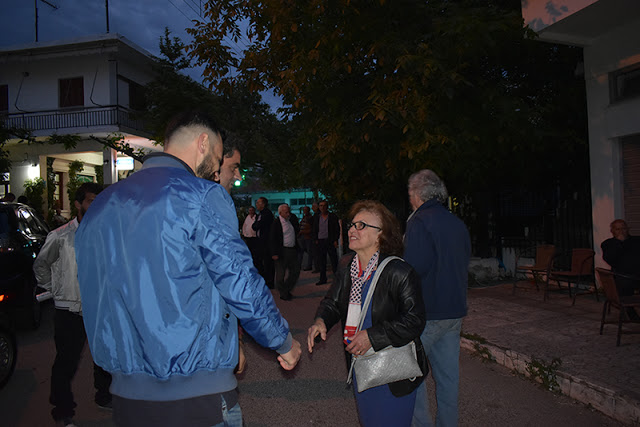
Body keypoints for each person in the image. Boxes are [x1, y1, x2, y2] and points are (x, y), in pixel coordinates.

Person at [74, 111, 301, 427]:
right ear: (203, 142)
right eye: (219, 158)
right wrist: (283, 341)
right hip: (196, 392)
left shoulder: (101, 204)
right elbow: (239, 281)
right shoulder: (202, 195)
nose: (222, 171)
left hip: (126, 396)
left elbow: (91, 289)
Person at [308, 200, 427, 427]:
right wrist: (321, 320)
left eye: (361, 225)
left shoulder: (399, 272)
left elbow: (415, 320)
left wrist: (372, 336)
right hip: (362, 367)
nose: (352, 230)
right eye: (352, 225)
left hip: (394, 375)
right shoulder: (347, 267)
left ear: (380, 235)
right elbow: (332, 302)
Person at [33, 182, 112, 427]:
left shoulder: (105, 233)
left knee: (104, 356)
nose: (95, 205)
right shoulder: (60, 236)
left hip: (98, 307)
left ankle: (104, 395)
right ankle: (63, 410)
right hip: (70, 309)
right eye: (90, 200)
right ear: (78, 204)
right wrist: (56, 290)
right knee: (66, 361)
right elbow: (41, 266)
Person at [404, 169, 471, 427]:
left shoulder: (419, 221)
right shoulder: (456, 222)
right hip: (454, 310)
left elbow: (414, 267)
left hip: (427, 312)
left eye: (410, 192)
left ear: (418, 193)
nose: (409, 197)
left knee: (412, 377)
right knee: (448, 380)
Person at [601, 219, 640, 320]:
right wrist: (619, 243)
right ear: (613, 231)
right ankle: (629, 312)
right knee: (624, 282)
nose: (621, 231)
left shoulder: (636, 241)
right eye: (618, 229)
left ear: (628, 229)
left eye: (623, 228)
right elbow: (610, 259)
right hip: (622, 276)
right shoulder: (608, 244)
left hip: (637, 274)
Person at [270, 203, 301, 301]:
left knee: (295, 271)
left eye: (289, 211)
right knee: (280, 275)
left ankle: (286, 289)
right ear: (280, 213)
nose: (288, 214)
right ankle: (283, 292)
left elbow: (297, 230)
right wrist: (274, 253)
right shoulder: (277, 222)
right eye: (286, 212)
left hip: (292, 249)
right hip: (281, 251)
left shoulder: (291, 219)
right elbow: (272, 238)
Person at [312, 200, 340, 285]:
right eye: (320, 206)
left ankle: (337, 279)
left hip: (330, 240)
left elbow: (336, 229)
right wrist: (315, 239)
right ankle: (323, 278)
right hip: (320, 241)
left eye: (324, 205)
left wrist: (335, 240)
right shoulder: (317, 217)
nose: (322, 207)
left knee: (334, 260)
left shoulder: (332, 216)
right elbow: (314, 229)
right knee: (322, 261)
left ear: (327, 207)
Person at [252, 196, 275, 288]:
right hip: (260, 240)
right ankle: (264, 278)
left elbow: (257, 225)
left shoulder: (266, 214)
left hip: (266, 241)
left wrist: (256, 224)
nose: (256, 205)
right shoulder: (260, 214)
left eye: (258, 203)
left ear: (263, 204)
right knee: (259, 260)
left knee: (267, 262)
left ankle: (269, 281)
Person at [298, 206, 314, 271]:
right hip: (303, 237)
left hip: (308, 237)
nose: (304, 211)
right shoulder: (304, 217)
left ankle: (309, 265)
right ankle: (299, 265)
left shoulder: (310, 218)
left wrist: (302, 231)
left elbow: (311, 229)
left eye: (306, 210)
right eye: (304, 210)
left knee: (309, 252)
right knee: (301, 252)